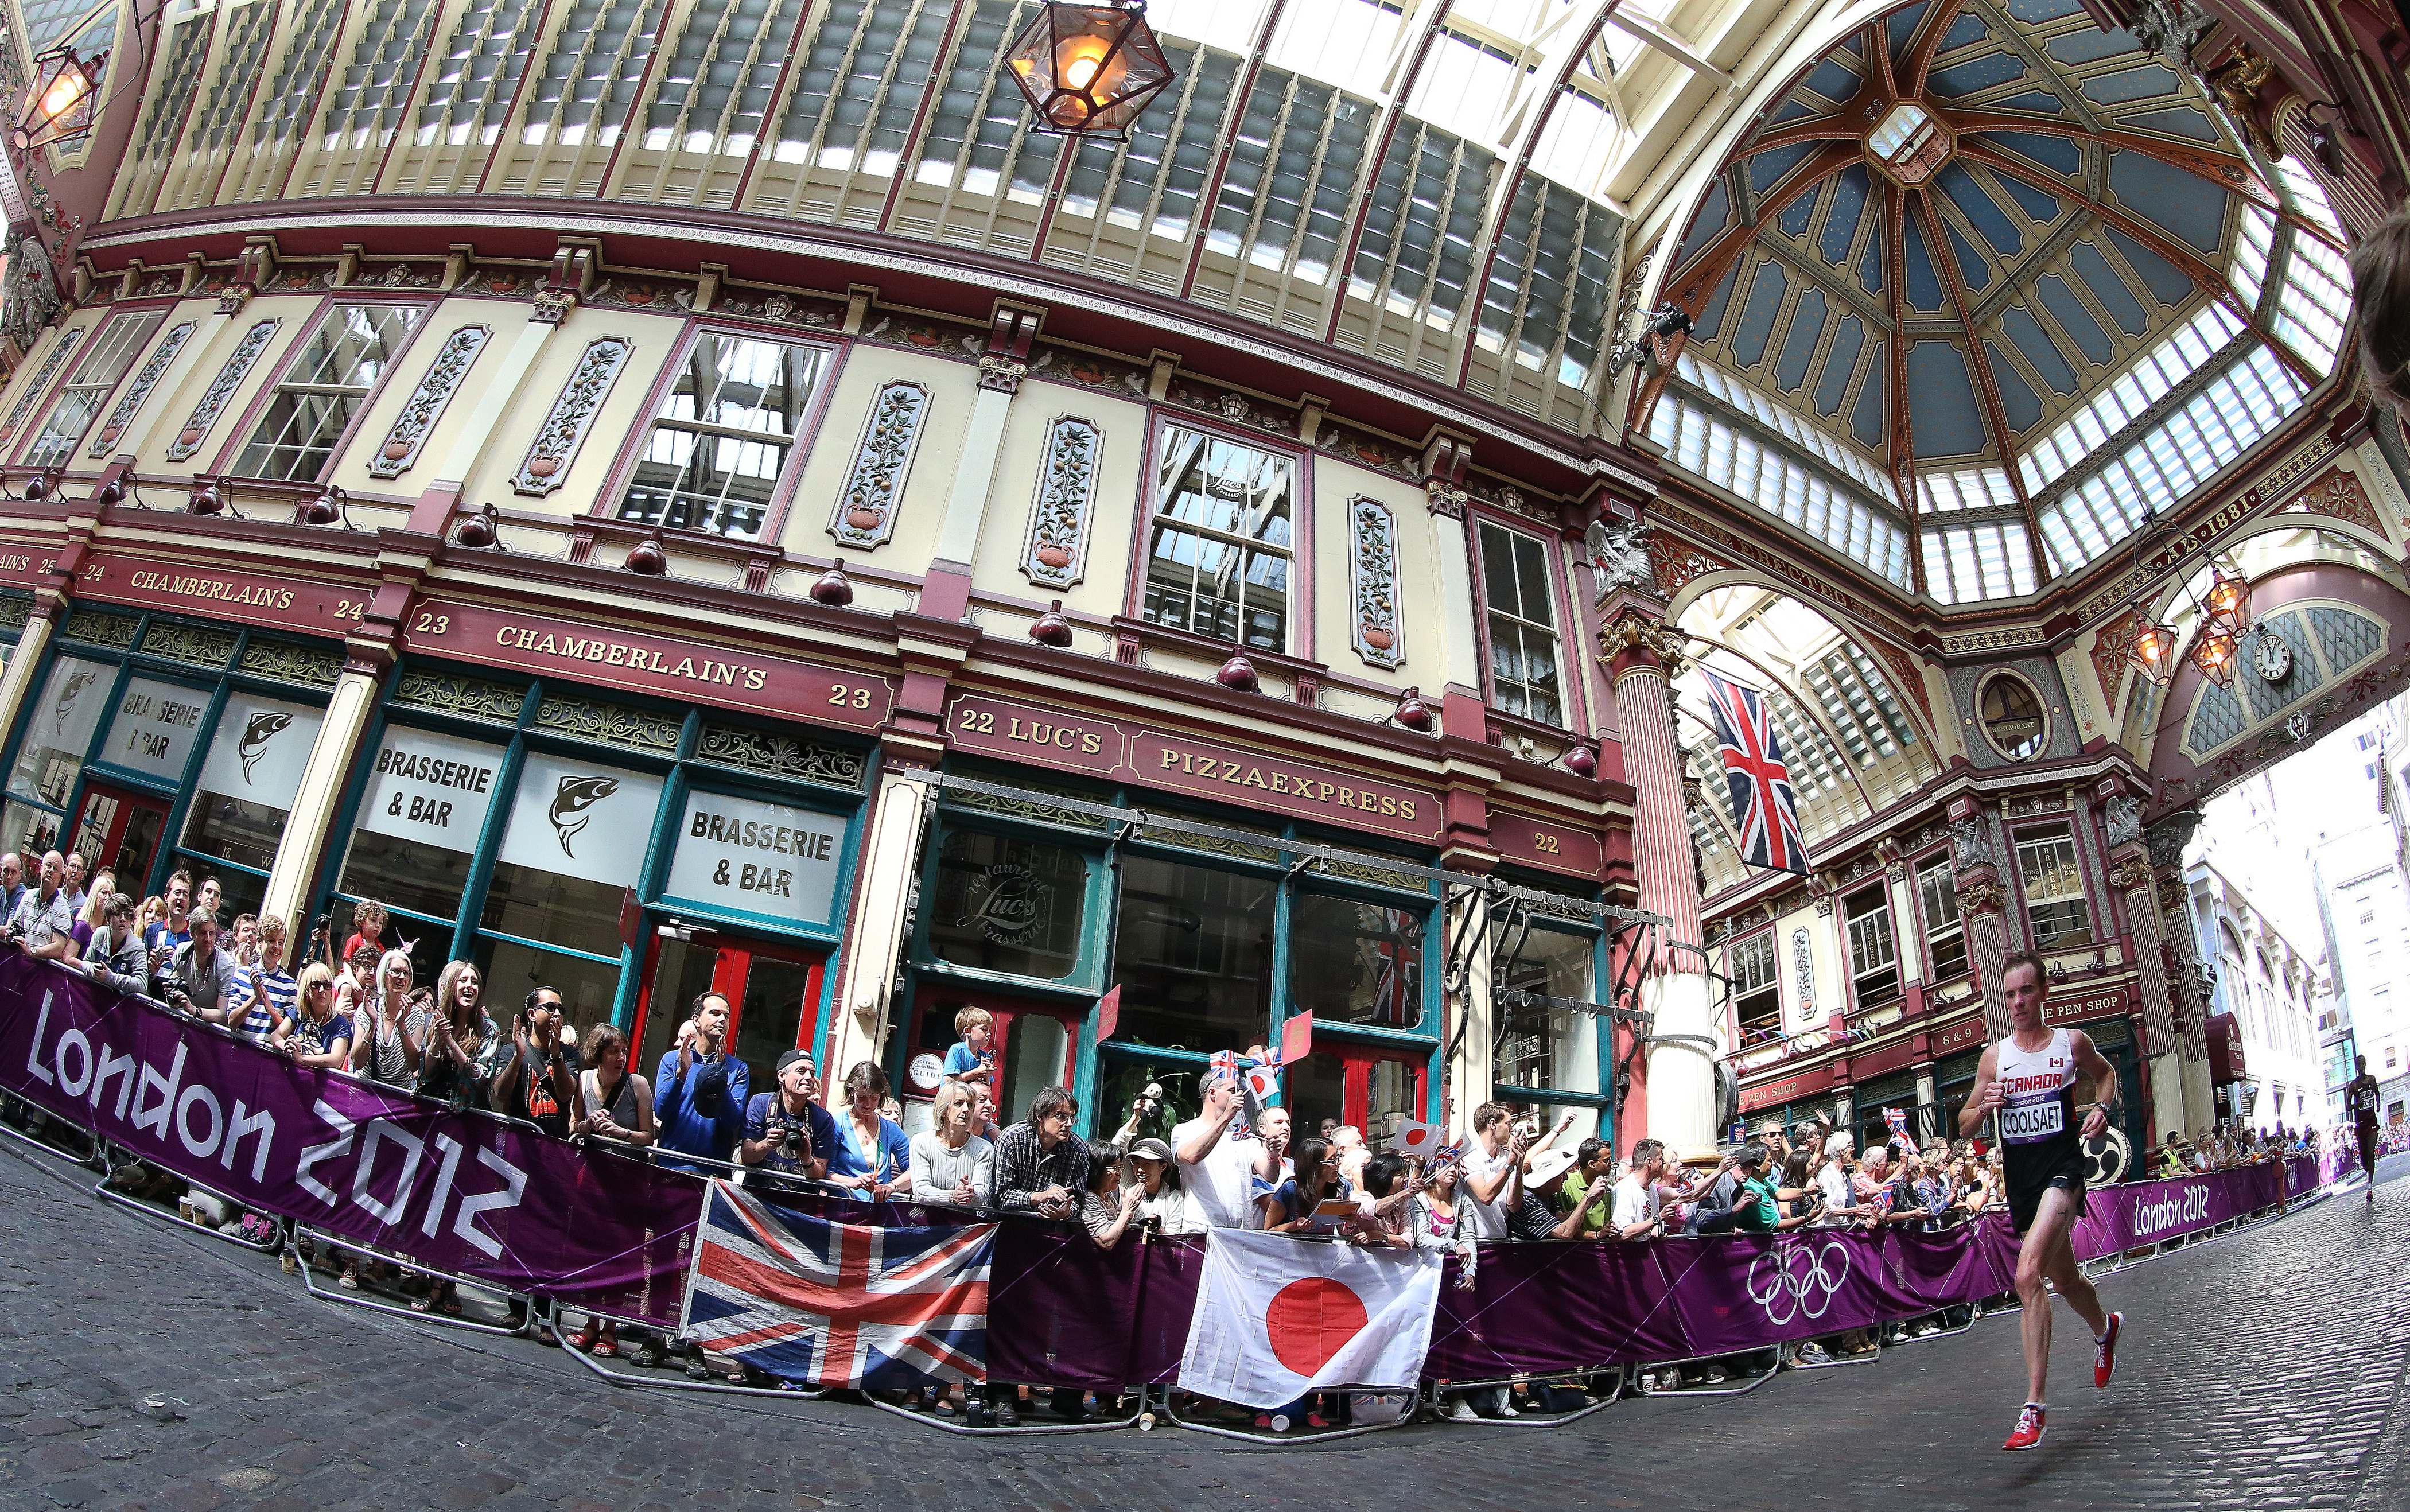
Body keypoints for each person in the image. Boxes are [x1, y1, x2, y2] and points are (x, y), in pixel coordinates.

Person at [1960, 949, 2123, 1452]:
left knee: (2027, 1274)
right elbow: (1965, 1123)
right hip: (2023, 1185)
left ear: (2044, 992)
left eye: (2026, 990)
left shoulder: (2071, 1044)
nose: (2018, 1001)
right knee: (2065, 1278)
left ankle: (2034, 1407)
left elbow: (2108, 1074)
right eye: (2009, 994)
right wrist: (1982, 1109)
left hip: (2064, 1172)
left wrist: (2101, 1107)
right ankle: (2106, 1327)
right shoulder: (1995, 1056)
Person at [1172, 1062, 1279, 1229]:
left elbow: (1269, 1175)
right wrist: (1226, 1118)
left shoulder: (1243, 1136)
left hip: (1239, 1234)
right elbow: (1193, 1156)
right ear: (1212, 1093)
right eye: (1232, 1091)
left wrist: (1273, 1156)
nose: (1239, 1097)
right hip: (1202, 1230)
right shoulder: (1185, 1130)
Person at [652, 992, 749, 1170]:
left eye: (726, 1016)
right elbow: (661, 1111)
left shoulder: (738, 1068)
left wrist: (719, 1076)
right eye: (715, 1013)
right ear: (697, 1020)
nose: (723, 1020)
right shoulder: (672, 1060)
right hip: (671, 1165)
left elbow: (733, 1122)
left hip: (712, 1172)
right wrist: (681, 1075)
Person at [490, 987, 578, 1138]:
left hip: (554, 1146)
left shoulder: (570, 1054)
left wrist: (556, 1054)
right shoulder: (511, 1051)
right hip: (517, 1143)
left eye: (560, 1010)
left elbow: (565, 1094)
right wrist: (518, 1057)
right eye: (550, 1008)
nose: (557, 1014)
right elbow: (501, 1095)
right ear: (532, 1014)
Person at [742, 1049, 837, 1184]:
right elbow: (747, 1156)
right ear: (782, 1076)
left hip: (799, 1202)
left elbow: (820, 1172)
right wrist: (768, 1144)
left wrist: (806, 1159)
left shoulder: (823, 1119)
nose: (809, 1077)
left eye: (812, 1073)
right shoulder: (760, 1103)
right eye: (801, 1071)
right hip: (757, 1196)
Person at [827, 1062, 912, 1199]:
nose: (868, 1104)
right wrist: (850, 1182)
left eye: (874, 1097)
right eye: (862, 1097)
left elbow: (914, 1169)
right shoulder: (836, 1124)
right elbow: (826, 1171)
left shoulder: (891, 1129)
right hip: (844, 1206)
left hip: (878, 1211)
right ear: (851, 1092)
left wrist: (891, 1186)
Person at [909, 1080, 994, 1208]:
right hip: (927, 1223)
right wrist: (952, 1196)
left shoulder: (984, 1149)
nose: (966, 1110)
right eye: (958, 1104)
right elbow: (921, 1190)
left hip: (966, 1224)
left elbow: (981, 1193)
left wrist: (971, 1194)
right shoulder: (921, 1142)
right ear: (944, 1110)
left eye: (970, 1105)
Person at [346, 949, 418, 1086]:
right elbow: (358, 1062)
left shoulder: (416, 1015)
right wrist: (373, 1024)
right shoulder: (366, 1008)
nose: (401, 977)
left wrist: (401, 1024)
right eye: (396, 971)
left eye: (406, 973)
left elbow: (415, 1066)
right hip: (365, 1091)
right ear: (384, 975)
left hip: (398, 1099)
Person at [224, 914, 298, 1044]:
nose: (276, 947)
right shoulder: (242, 974)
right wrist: (255, 997)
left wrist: (270, 1008)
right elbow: (231, 1022)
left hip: (267, 1057)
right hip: (238, 1050)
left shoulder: (290, 986)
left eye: (280, 943)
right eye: (271, 941)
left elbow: (289, 1031)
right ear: (260, 942)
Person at [1458, 1102, 1527, 1239]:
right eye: (1508, 1123)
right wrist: (1509, 1165)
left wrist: (1519, 1165)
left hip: (1501, 1238)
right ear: (1493, 1124)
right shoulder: (1469, 1156)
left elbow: (1513, 1205)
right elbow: (1485, 1196)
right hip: (1475, 1240)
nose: (1511, 1129)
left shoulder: (1507, 1156)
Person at [163, 908, 242, 1023]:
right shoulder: (182, 952)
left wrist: (194, 1010)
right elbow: (174, 986)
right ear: (192, 934)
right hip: (184, 1021)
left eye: (212, 933)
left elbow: (223, 1014)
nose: (208, 939)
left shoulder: (225, 965)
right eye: (203, 933)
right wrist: (172, 996)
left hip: (210, 1030)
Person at [5, 850, 78, 961]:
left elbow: (59, 948)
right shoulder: (28, 895)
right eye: (49, 866)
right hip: (18, 961)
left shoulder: (62, 909)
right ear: (41, 868)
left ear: (60, 876)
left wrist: (32, 952)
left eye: (56, 869)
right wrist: (11, 936)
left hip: (40, 971)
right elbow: (16, 927)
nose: (51, 871)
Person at [75, 892, 150, 997]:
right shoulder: (100, 934)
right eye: (118, 914)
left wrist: (110, 978)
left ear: (132, 921)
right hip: (92, 999)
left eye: (127, 915)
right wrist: (92, 968)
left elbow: (142, 984)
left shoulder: (138, 948)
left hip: (119, 1007)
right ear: (108, 919)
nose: (123, 919)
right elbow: (86, 962)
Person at [1126, 1137, 1191, 1233]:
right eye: (1136, 1163)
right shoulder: (1128, 1186)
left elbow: (1172, 1238)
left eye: (1147, 1164)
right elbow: (1118, 1144)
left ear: (1163, 1167)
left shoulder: (1174, 1198)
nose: (1140, 1170)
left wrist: (1157, 1228)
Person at [2346, 1053, 2382, 1203]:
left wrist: (2378, 1104)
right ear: (2356, 1067)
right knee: (2365, 1160)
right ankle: (2366, 1165)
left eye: (2363, 1064)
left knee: (2370, 1152)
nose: (2361, 1066)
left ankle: (2369, 1188)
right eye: (2359, 1064)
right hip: (2361, 1125)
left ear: (2365, 1064)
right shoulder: (2354, 1085)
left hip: (2372, 1121)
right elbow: (2348, 1107)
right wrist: (2356, 1105)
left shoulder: (2372, 1079)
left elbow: (2377, 1093)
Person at [943, 1005, 996, 1088]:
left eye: (989, 1030)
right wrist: (976, 1073)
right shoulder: (957, 1050)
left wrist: (987, 1077)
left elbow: (987, 1089)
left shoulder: (985, 1057)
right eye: (984, 1029)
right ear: (968, 1031)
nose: (989, 1034)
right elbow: (949, 1082)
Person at [143, 872, 194, 956]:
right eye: (177, 893)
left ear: (189, 902)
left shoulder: (193, 938)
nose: (181, 897)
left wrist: (177, 960)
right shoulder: (153, 930)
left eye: (185, 895)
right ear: (166, 898)